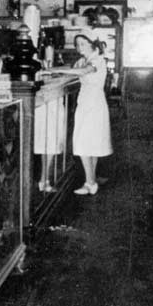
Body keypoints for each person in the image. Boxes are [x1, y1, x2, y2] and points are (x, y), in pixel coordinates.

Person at [52, 34, 112, 195]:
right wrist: (52, 72)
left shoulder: (97, 60)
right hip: (85, 104)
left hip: (94, 105)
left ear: (93, 45)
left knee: (83, 144)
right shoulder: (82, 60)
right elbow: (72, 72)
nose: (80, 47)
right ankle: (91, 182)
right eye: (77, 44)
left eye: (83, 43)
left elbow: (84, 71)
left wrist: (52, 69)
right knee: (90, 144)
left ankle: (90, 182)